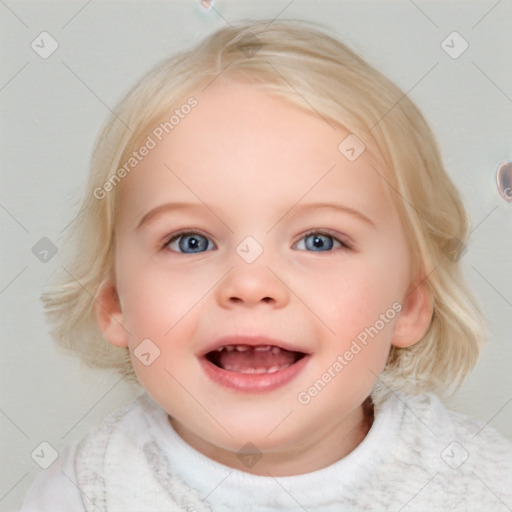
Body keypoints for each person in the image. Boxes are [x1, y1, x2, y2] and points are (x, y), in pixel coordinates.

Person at [18, 20, 512, 511]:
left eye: (319, 241)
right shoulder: (86, 492)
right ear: (114, 304)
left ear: (409, 303)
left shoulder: (483, 484)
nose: (250, 284)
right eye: (191, 242)